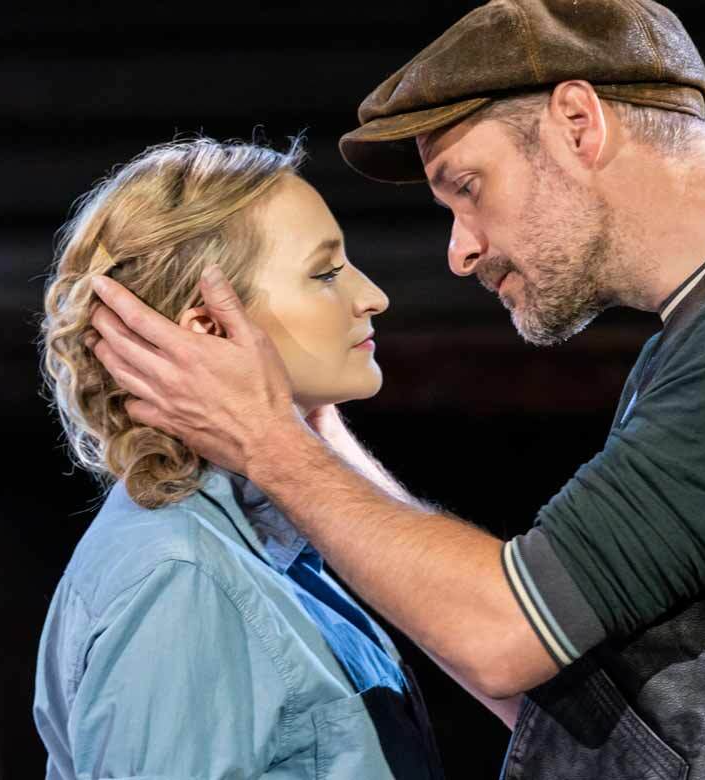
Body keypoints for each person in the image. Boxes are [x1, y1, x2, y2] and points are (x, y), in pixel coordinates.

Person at [86, 1, 705, 776]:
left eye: (467, 187)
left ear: (579, 122)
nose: (460, 249)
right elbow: (591, 698)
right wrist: (311, 437)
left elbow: (504, 631)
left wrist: (269, 443)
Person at [33, 137, 446, 780]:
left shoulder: (267, 550)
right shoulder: (182, 578)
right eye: (325, 274)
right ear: (208, 330)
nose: (373, 296)